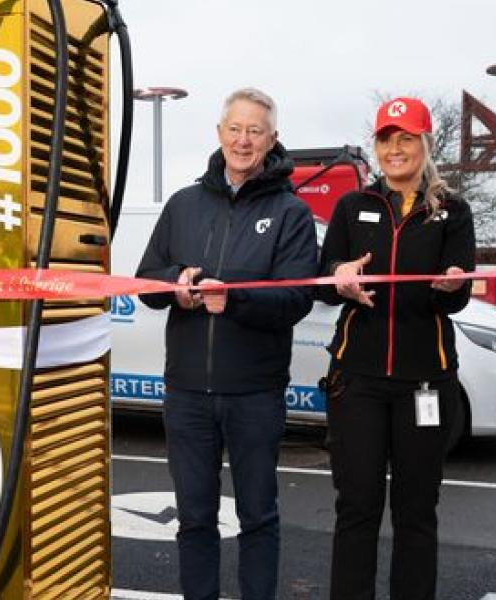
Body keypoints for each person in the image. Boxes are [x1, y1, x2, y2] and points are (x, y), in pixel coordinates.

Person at [135, 87, 318, 600]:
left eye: (255, 131)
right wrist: (178, 282)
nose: (243, 140)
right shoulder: (183, 204)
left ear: (272, 140)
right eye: (235, 129)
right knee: (194, 519)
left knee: (258, 517)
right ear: (219, 134)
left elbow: (297, 299)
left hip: (254, 395)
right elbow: (146, 282)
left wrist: (232, 300)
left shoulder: (290, 213)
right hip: (188, 393)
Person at [315, 96, 476, 600]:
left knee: (416, 512)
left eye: (407, 138)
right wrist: (338, 278)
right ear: (377, 147)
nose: (396, 149)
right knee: (357, 508)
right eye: (387, 139)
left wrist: (448, 286)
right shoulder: (352, 206)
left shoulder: (452, 210)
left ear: (425, 144)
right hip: (357, 383)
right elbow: (321, 285)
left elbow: (458, 296)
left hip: (425, 383)